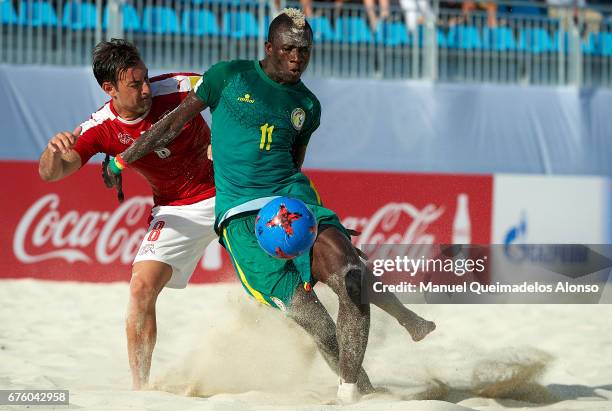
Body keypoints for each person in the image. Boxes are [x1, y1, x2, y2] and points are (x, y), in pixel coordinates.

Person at [107, 9, 435, 404]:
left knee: (351, 277)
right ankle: (365, 378)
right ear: (269, 48)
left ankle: (352, 391)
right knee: (317, 321)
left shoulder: (307, 105)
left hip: (290, 200)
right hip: (241, 219)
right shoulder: (228, 76)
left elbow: (294, 162)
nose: (298, 56)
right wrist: (123, 158)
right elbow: (171, 124)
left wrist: (317, 223)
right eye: (289, 48)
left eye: (305, 50)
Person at [38, 39, 217, 390]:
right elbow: (52, 173)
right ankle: (141, 390)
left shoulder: (181, 86)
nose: (147, 89)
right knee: (140, 288)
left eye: (146, 78)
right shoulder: (101, 126)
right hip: (175, 208)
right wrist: (52, 152)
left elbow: (233, 89)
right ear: (110, 89)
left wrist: (227, 140)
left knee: (272, 268)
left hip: (227, 190)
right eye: (135, 85)